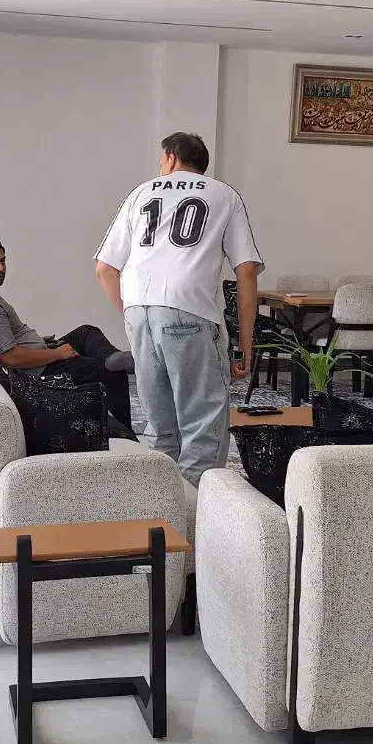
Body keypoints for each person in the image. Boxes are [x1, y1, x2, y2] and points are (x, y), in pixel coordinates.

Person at [94, 131, 263, 485]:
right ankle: (199, 510)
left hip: (139, 310)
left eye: (161, 161)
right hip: (190, 310)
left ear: (171, 158)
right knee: (203, 423)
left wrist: (133, 314)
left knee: (159, 426)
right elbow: (246, 271)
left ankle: (163, 505)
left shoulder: (140, 193)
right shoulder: (224, 195)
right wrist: (245, 346)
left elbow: (105, 269)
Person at [0, 235, 136, 432]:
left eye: (2, 260)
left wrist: (39, 343)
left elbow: (4, 340)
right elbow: (10, 358)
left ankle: (113, 357)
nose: (0, 267)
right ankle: (126, 435)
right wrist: (56, 354)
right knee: (110, 373)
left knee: (85, 333)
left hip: (37, 358)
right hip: (34, 375)